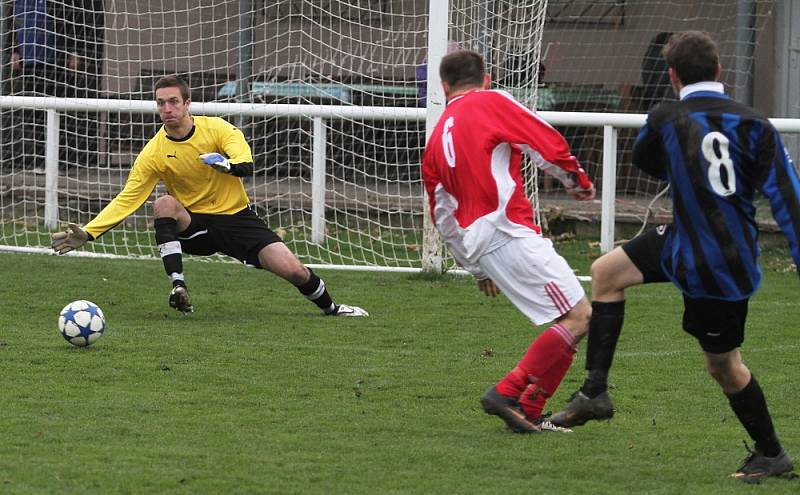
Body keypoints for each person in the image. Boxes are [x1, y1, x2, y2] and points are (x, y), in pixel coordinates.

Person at [550, 31, 800, 482]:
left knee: (723, 366)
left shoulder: (667, 115)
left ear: (671, 75)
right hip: (703, 246)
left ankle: (772, 453)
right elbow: (788, 198)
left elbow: (643, 157)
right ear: (720, 71)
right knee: (607, 271)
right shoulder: (755, 122)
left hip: (714, 265)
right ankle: (594, 392)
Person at [51, 75, 368, 318]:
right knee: (163, 203)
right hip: (195, 226)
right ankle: (178, 286)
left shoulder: (217, 129)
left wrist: (227, 166)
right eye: (161, 103)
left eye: (173, 101)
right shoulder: (154, 152)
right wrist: (90, 231)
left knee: (294, 270)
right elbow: (128, 197)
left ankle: (333, 309)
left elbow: (245, 163)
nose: (167, 108)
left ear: (187, 103)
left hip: (237, 220)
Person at [421, 50, 596, 434]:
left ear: (444, 86)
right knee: (581, 316)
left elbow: (443, 216)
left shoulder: (436, 137)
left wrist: (475, 265)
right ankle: (507, 392)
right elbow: (542, 139)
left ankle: (530, 410)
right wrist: (577, 181)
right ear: (485, 80)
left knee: (571, 319)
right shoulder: (491, 101)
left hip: (482, 241)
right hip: (507, 230)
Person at [4, 0, 104, 169]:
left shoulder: (61, 3)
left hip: (56, 62)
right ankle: (40, 160)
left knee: (59, 111)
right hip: (29, 63)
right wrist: (14, 50)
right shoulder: (18, 2)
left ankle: (62, 162)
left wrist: (74, 52)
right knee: (34, 113)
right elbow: (12, 24)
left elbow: (74, 24)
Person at [640, 31, 674, 110]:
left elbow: (646, 75)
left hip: (651, 95)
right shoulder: (666, 54)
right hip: (665, 95)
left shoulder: (650, 52)